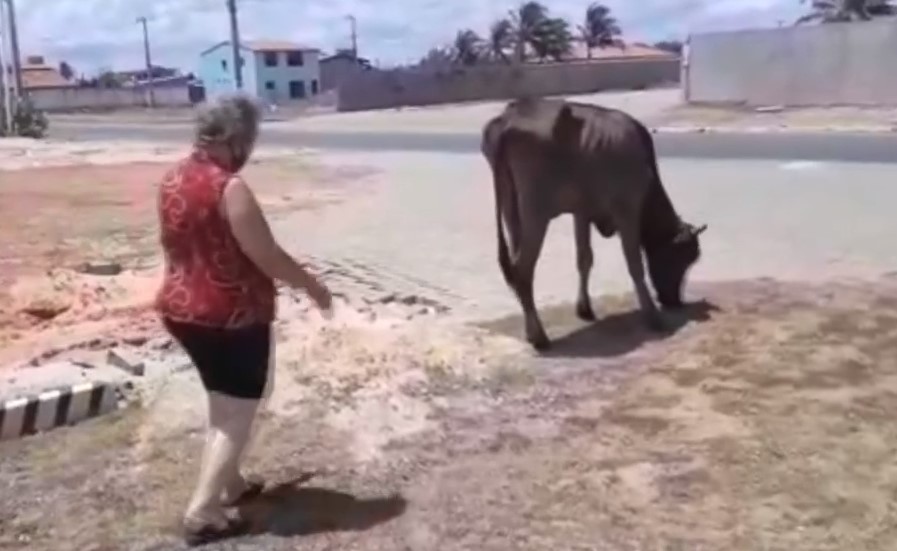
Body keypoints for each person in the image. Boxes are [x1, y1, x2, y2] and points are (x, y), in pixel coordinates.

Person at [154, 93, 332, 546]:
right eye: (249, 140)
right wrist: (312, 285)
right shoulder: (228, 188)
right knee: (238, 412)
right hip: (230, 315)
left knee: (225, 399)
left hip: (182, 308)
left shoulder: (173, 178)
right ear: (235, 138)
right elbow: (267, 255)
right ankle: (204, 510)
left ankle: (230, 482)